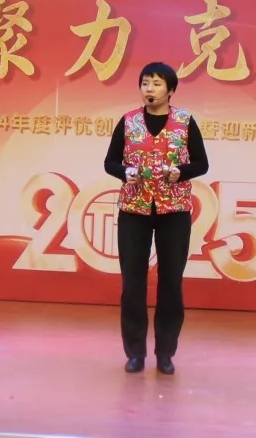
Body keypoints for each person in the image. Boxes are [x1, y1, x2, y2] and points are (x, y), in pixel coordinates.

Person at [103, 62, 210, 375]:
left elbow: (202, 163)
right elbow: (110, 162)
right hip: (134, 209)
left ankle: (165, 353)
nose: (149, 89)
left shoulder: (185, 122)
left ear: (171, 90)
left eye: (157, 83)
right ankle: (135, 353)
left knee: (171, 283)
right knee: (132, 283)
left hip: (173, 210)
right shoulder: (128, 121)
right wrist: (125, 172)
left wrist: (181, 172)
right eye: (145, 83)